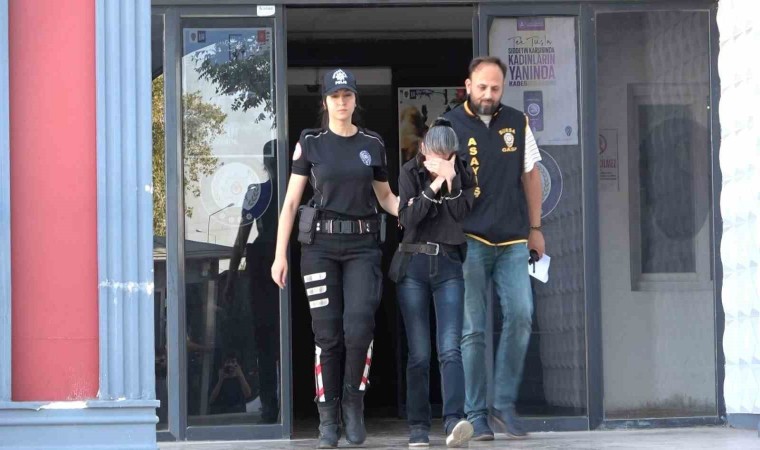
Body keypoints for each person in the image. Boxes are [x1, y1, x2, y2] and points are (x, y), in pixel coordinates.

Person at [271, 68, 399, 449]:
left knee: (359, 329)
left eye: (347, 95)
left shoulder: (372, 143)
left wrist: (417, 210)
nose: (341, 102)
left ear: (356, 100)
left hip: (362, 248)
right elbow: (291, 202)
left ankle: (353, 405)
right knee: (327, 335)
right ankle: (327, 418)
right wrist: (279, 255)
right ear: (325, 101)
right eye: (334, 96)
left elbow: (386, 197)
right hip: (319, 249)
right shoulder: (311, 142)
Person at [443, 56, 545, 440]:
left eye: (495, 88)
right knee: (473, 330)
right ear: (468, 86)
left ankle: (503, 404)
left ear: (503, 89)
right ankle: (476, 414)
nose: (488, 94)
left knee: (521, 314)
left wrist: (536, 228)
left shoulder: (518, 122)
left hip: (514, 238)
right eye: (482, 87)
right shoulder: (448, 125)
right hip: (469, 238)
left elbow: (531, 175)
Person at [392, 118, 476, 448]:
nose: (436, 161)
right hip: (413, 265)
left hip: (449, 265)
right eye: (432, 154)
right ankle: (418, 426)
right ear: (423, 148)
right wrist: (434, 185)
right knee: (419, 352)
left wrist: (451, 180)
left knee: (450, 348)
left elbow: (460, 214)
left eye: (445, 156)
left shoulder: (464, 174)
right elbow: (407, 218)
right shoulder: (409, 172)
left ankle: (454, 420)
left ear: (452, 154)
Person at [225, 141, 280, 423]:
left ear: (265, 164)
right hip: (282, 261)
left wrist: (231, 277)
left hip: (262, 263)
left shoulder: (257, 192)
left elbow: (240, 239)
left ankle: (270, 406)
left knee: (265, 339)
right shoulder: (301, 190)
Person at [209, 350, 253, 414]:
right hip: (222, 412)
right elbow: (211, 400)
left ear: (238, 365)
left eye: (233, 362)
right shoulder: (218, 377)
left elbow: (248, 394)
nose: (230, 365)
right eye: (228, 362)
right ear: (223, 365)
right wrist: (220, 380)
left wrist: (240, 375)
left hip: (239, 412)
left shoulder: (242, 377)